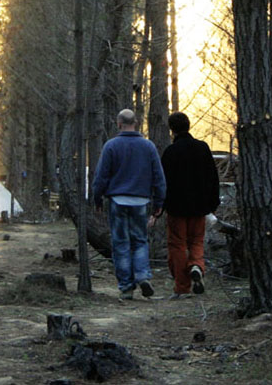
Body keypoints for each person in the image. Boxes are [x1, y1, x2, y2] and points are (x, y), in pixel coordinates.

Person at [92, 109, 167, 300]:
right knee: (140, 241)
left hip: (117, 200)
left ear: (119, 123)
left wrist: (97, 198)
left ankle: (126, 287)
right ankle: (142, 275)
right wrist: (159, 202)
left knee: (120, 244)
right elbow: (159, 177)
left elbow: (101, 176)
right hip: (140, 200)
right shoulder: (148, 147)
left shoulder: (111, 146)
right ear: (137, 122)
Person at [160, 112, 220, 298]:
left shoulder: (170, 152)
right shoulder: (202, 148)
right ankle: (196, 266)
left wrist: (160, 206)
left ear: (172, 129)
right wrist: (212, 203)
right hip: (199, 207)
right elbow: (213, 177)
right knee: (196, 241)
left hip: (177, 208)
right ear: (189, 125)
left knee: (177, 246)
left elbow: (163, 182)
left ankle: (182, 287)